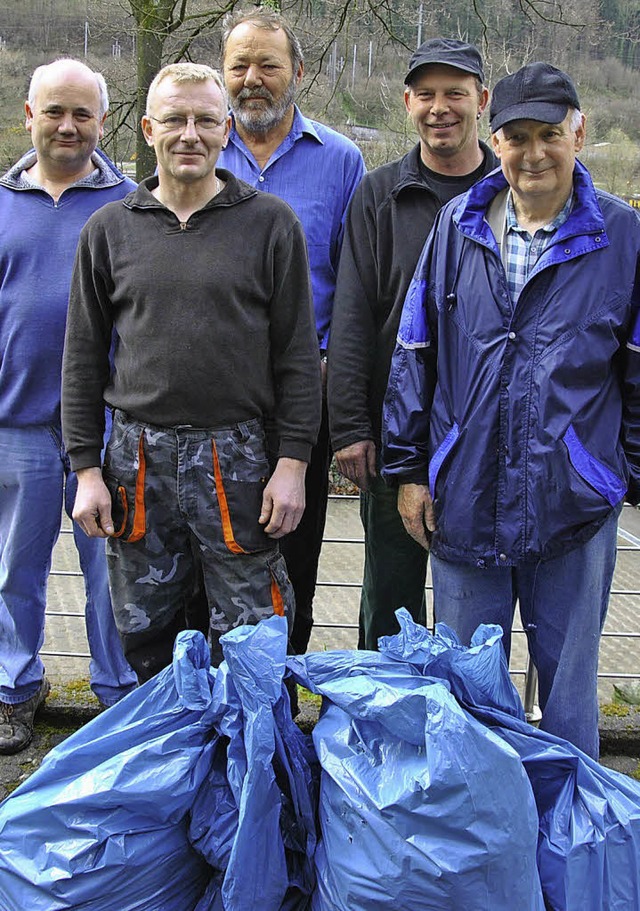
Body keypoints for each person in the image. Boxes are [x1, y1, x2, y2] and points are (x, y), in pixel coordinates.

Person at [382, 61, 640, 759]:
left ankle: (569, 839)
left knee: (567, 693)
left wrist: (621, 476)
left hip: (573, 504)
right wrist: (410, 468)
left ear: (579, 134)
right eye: (516, 136)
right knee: (469, 691)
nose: (533, 153)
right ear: (495, 141)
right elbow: (415, 351)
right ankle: (482, 845)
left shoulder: (622, 235)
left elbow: (638, 370)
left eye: (549, 134)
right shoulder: (456, 225)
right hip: (465, 497)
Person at [62, 63, 321, 682]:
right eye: (174, 120)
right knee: (146, 633)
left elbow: (297, 357)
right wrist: (86, 470)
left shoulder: (270, 224)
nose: (190, 135)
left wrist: (293, 463)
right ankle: (171, 766)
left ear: (226, 129)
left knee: (256, 639)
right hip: (136, 459)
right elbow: (83, 358)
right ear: (148, 129)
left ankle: (255, 767)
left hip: (238, 457)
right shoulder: (108, 231)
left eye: (206, 121)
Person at [328, 39, 497, 649]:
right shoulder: (379, 195)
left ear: (483, 99)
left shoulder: (509, 194)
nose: (440, 108)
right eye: (426, 95)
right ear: (406, 102)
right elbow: (352, 316)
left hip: (486, 434)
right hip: (393, 437)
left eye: (455, 93)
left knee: (476, 600)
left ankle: (464, 721)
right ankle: (383, 724)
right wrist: (349, 426)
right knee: (389, 593)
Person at [0, 58, 139, 755]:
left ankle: (117, 694)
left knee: (113, 572)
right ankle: (14, 689)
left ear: (103, 122)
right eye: (54, 110)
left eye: (82, 113)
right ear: (29, 115)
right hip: (15, 425)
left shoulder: (132, 206)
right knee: (10, 571)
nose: (67, 125)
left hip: (109, 430)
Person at [218, 7, 366, 657]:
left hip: (303, 400)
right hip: (209, 401)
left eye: (268, 64)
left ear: (298, 73)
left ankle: (282, 703)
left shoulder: (340, 162)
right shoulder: (194, 151)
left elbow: (360, 286)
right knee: (212, 558)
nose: (253, 78)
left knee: (292, 566)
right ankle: (218, 709)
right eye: (239, 65)